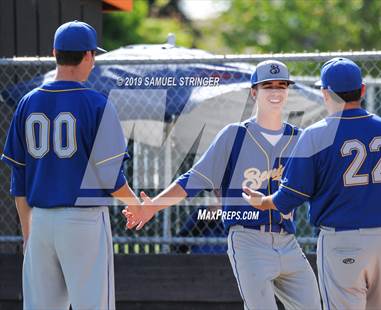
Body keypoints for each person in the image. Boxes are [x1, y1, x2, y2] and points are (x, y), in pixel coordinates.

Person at [124, 60, 321, 310]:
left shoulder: (299, 138)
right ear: (254, 92)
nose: (275, 92)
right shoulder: (234, 136)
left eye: (281, 86)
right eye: (267, 86)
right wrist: (152, 207)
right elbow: (192, 180)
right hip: (248, 240)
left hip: (288, 241)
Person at [243, 57, 381, 309]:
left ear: (326, 93)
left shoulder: (316, 134)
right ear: (363, 90)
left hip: (341, 242)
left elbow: (288, 197)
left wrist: (263, 201)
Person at [1, 21, 141, 309]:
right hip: (83, 222)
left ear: (55, 52)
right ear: (89, 56)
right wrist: (137, 204)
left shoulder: (27, 103)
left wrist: (29, 232)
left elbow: (19, 179)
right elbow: (110, 176)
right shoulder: (96, 104)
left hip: (39, 221)